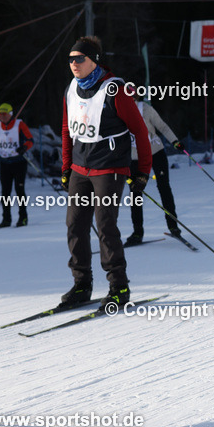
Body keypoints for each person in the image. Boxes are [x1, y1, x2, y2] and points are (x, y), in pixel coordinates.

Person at [59, 36, 152, 310]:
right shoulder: (71, 89)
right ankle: (82, 284)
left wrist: (142, 172)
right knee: (75, 225)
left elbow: (140, 131)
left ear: (94, 61)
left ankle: (118, 286)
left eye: (80, 59)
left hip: (109, 168)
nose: (74, 64)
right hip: (80, 169)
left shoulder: (115, 90)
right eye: (70, 59)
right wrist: (66, 167)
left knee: (105, 226)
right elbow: (66, 130)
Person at [126, 101, 183, 245]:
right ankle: (137, 232)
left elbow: (162, 126)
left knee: (164, 187)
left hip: (155, 152)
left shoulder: (145, 109)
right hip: (135, 158)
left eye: (132, 93)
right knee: (135, 193)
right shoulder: (119, 112)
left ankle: (173, 226)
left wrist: (174, 141)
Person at [0, 102, 34, 227]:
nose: (2, 117)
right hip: (5, 163)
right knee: (5, 192)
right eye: (0, 114)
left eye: (5, 114)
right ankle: (6, 219)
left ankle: (23, 218)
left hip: (19, 162)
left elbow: (30, 140)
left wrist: (24, 148)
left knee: (19, 190)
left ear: (10, 114)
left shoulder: (19, 124)